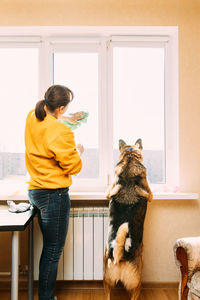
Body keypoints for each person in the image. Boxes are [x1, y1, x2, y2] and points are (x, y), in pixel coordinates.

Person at [25, 84, 84, 300]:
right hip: (53, 194)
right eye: (66, 108)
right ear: (60, 108)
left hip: (35, 191)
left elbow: (49, 123)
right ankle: (46, 299)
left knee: (48, 248)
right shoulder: (61, 132)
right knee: (52, 251)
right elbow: (74, 167)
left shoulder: (33, 116)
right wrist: (78, 151)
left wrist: (67, 119)